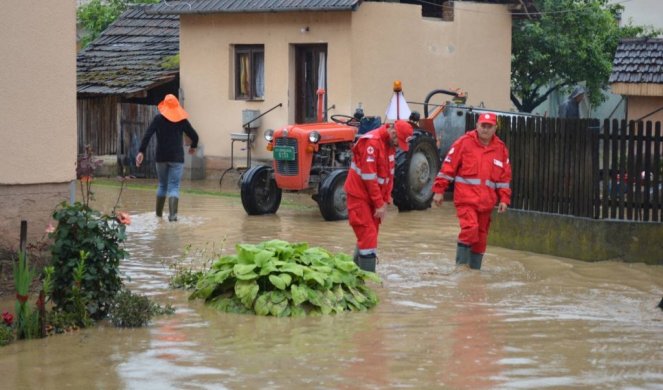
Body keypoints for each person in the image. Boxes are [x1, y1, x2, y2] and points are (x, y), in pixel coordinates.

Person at [432, 112, 511, 270]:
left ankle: (474, 272)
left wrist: (504, 199)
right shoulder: (464, 143)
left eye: (489, 126)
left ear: (495, 128)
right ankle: (461, 268)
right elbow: (448, 167)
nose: (486, 130)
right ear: (477, 125)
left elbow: (504, 177)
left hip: (486, 203)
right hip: (466, 200)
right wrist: (439, 190)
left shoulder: (500, 149)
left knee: (481, 237)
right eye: (483, 126)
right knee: (470, 228)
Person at [344, 120, 413, 272]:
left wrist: (386, 198)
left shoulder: (389, 146)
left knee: (370, 236)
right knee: (368, 235)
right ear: (393, 133)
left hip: (374, 199)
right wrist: (379, 203)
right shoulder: (372, 143)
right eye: (398, 142)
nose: (398, 146)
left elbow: (389, 174)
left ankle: (355, 276)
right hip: (359, 196)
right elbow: (369, 177)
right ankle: (368, 281)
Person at [136, 94, 199, 222]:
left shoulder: (158, 119)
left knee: (162, 186)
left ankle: (158, 216)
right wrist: (193, 146)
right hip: (177, 158)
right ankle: (173, 217)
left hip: (161, 157)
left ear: (164, 106)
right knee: (174, 187)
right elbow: (195, 136)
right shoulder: (182, 120)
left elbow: (147, 135)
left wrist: (141, 151)